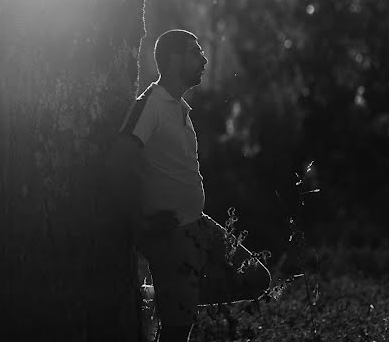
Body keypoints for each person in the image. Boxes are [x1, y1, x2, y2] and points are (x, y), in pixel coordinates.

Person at [107, 29, 270, 342]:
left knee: (255, 277)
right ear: (172, 59)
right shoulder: (150, 104)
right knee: (178, 331)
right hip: (171, 234)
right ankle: (170, 296)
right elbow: (116, 163)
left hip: (198, 223)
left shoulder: (179, 107)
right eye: (195, 52)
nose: (204, 59)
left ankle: (158, 295)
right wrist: (140, 222)